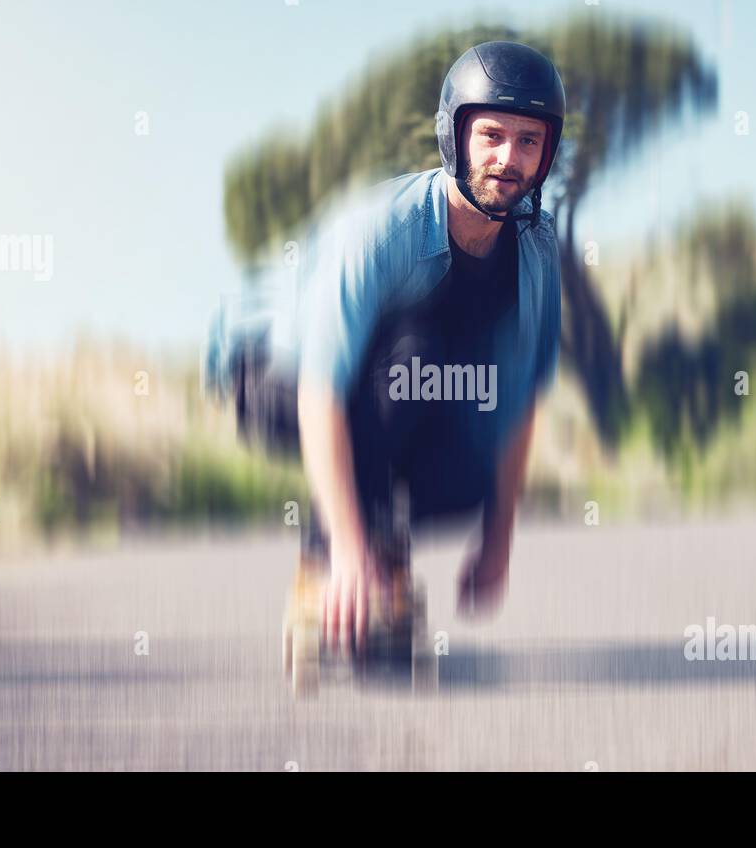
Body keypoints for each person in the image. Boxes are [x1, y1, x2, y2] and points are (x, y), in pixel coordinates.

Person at [204, 41, 564, 654]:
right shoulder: (380, 230)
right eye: (492, 136)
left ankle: (384, 553)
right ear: (455, 138)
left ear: (547, 153)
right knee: (415, 358)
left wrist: (497, 541)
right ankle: (334, 567)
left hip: (394, 378)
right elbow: (321, 386)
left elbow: (519, 399)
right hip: (270, 368)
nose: (509, 158)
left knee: (471, 454)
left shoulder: (535, 247)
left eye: (528, 141)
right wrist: (343, 549)